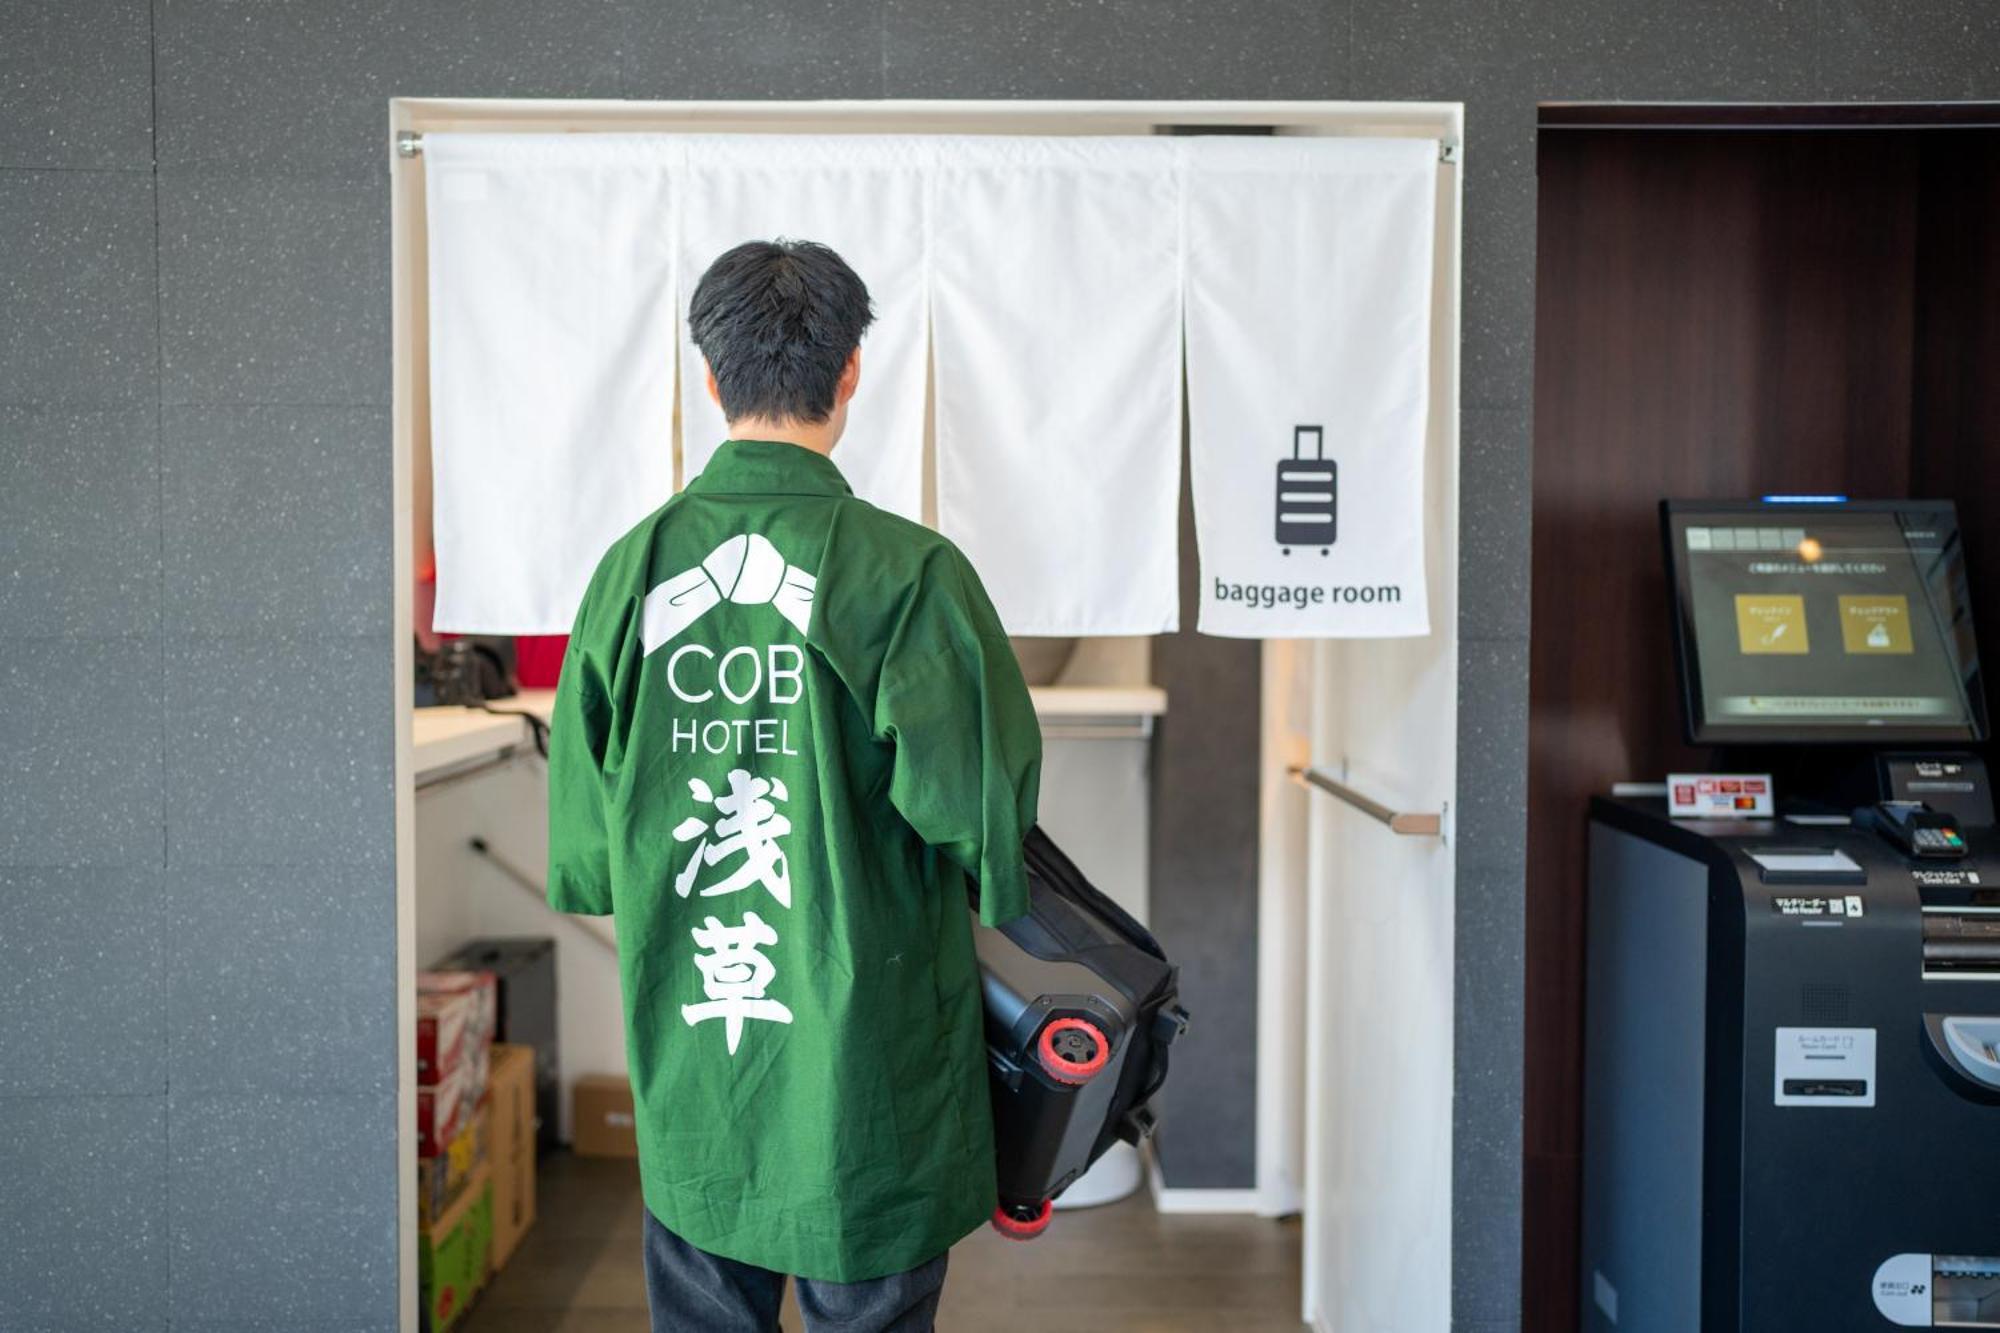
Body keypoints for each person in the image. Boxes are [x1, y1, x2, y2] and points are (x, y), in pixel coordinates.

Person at [546, 238, 1043, 1333]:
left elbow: (586, 842)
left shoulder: (631, 570)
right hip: (869, 1065)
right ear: (851, 370)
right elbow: (981, 817)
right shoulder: (909, 574)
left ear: (710, 378)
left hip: (699, 1059)